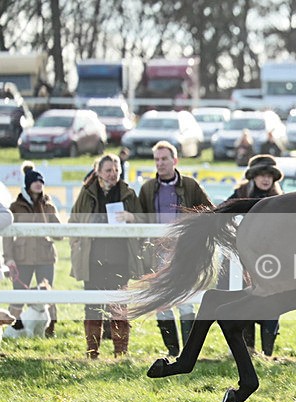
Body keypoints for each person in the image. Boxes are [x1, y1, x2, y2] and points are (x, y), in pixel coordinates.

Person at [139, 140, 213, 357]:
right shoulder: (147, 189)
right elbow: (141, 218)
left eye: (164, 159)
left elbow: (209, 210)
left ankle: (189, 353)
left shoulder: (190, 186)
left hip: (185, 253)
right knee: (161, 303)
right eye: (157, 160)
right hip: (158, 253)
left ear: (175, 160)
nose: (160, 164)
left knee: (186, 303)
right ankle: (172, 351)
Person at [69, 154, 143, 358]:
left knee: (119, 308)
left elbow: (143, 222)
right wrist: (78, 244)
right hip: (92, 260)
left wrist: (131, 217)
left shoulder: (128, 194)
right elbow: (73, 221)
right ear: (99, 172)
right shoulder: (86, 193)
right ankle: (92, 353)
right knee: (92, 307)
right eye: (109, 170)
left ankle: (121, 354)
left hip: (120, 260)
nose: (113, 174)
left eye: (116, 170)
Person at [218, 154, 283, 356]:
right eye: (261, 174)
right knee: (245, 300)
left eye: (269, 175)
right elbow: (222, 218)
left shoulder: (281, 200)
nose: (265, 179)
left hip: (271, 259)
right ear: (253, 177)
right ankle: (247, 348)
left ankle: (267, 352)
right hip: (242, 259)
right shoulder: (238, 196)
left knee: (271, 303)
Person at [3, 163, 61, 336]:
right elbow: (7, 234)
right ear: (28, 184)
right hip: (22, 257)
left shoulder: (48, 205)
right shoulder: (15, 206)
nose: (39, 184)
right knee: (18, 295)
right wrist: (9, 258)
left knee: (47, 294)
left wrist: (47, 213)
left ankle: (50, 330)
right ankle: (11, 328)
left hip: (45, 255)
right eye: (35, 182)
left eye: (41, 182)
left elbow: (59, 234)